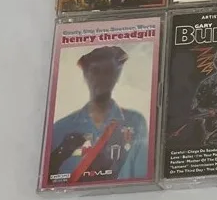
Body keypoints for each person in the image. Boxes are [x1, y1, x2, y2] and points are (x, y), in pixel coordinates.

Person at [47, 46, 148, 184]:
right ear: (86, 75)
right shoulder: (60, 129)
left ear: (117, 76)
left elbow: (141, 176)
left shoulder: (135, 122)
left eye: (108, 72)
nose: (101, 79)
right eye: (95, 71)